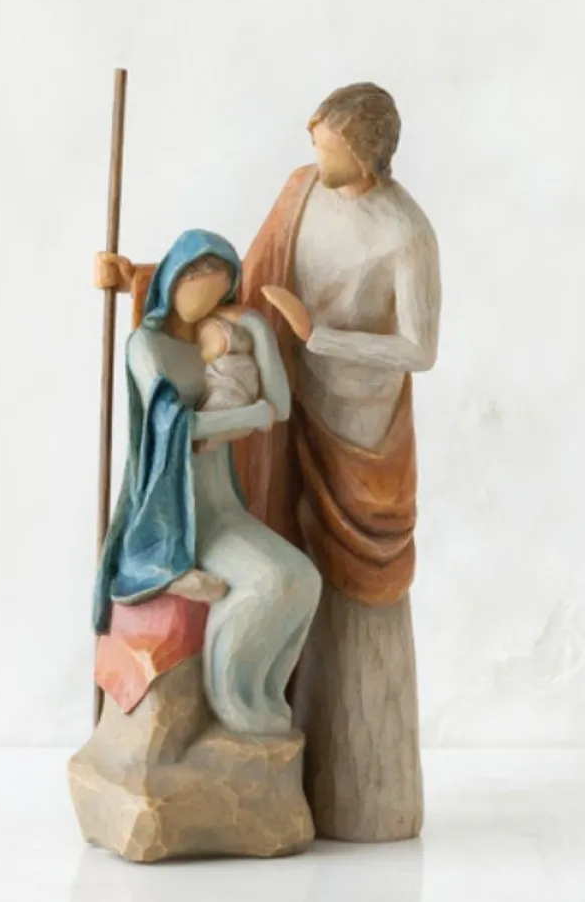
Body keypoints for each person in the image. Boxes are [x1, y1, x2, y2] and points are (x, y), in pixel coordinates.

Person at [234, 83, 442, 840]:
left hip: (363, 433)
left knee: (359, 609)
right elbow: (236, 284)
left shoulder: (405, 235)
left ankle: (364, 790)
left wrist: (318, 335)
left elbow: (420, 348)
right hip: (289, 408)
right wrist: (143, 280)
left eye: (326, 143)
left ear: (362, 153)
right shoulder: (300, 194)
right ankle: (273, 753)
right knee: (286, 563)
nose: (313, 151)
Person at [94, 229, 321, 735]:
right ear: (173, 277)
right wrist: (248, 417)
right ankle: (232, 702)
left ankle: (264, 697)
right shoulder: (146, 345)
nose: (206, 292)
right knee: (268, 581)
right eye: (196, 277)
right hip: (177, 514)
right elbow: (174, 425)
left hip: (222, 506)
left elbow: (280, 406)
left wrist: (258, 329)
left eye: (220, 284)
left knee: (305, 579)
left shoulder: (218, 343)